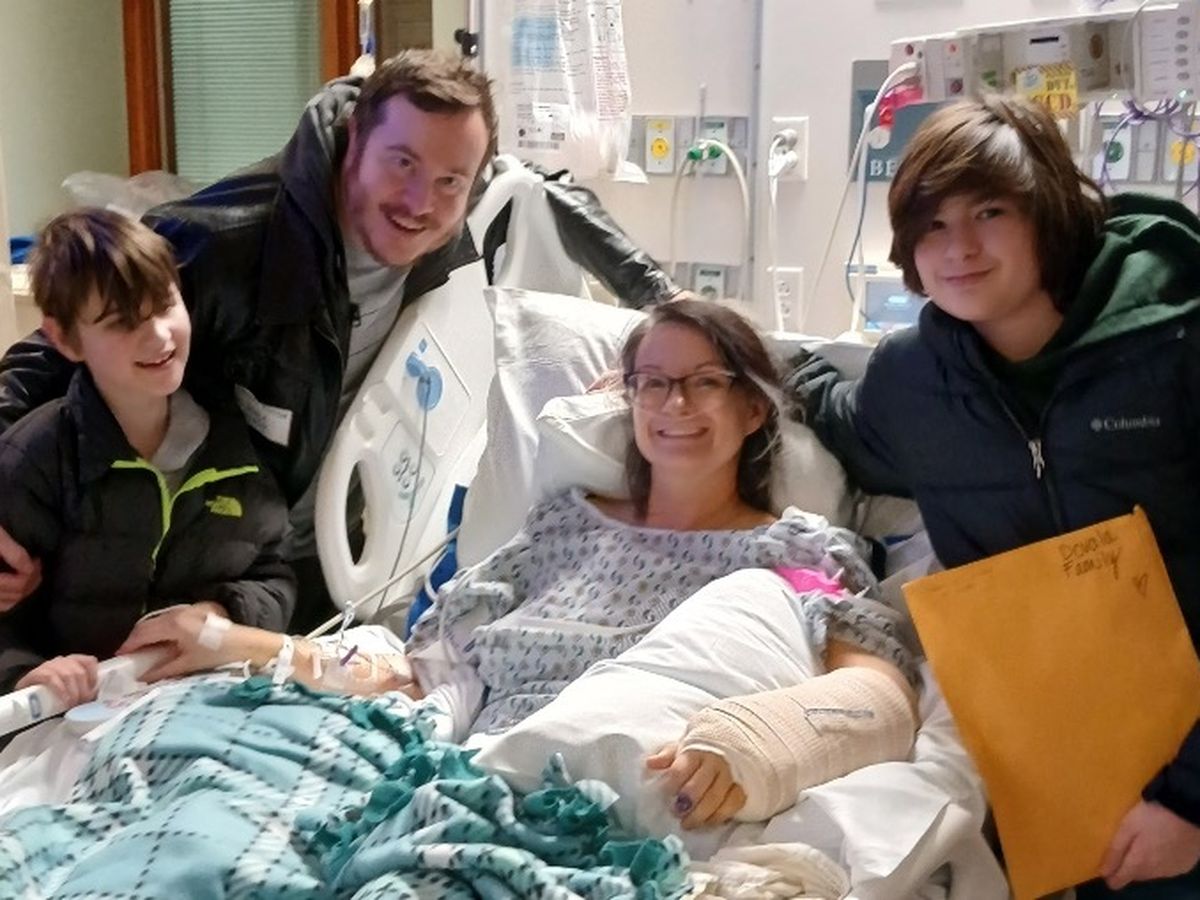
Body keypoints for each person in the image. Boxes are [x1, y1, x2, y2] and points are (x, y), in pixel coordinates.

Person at [118, 297, 919, 830]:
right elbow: (419, 677)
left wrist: (757, 741)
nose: (674, 405)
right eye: (652, 383)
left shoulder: (794, 554)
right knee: (184, 769)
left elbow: (879, 697)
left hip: (598, 798)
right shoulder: (562, 526)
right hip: (458, 768)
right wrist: (227, 644)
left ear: (751, 408)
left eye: (704, 382)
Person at [0, 49, 677, 635]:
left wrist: (668, 310)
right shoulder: (225, 241)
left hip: (307, 561)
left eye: (451, 181)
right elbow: (50, 355)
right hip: (185, 566)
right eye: (401, 163)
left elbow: (544, 191)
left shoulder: (450, 217)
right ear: (355, 139)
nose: (421, 201)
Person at [787, 95, 1200, 896]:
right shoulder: (915, 383)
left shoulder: (1174, 344)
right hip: (1059, 782)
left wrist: (1189, 802)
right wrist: (727, 358)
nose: (960, 248)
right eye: (933, 225)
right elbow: (837, 417)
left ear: (1049, 212)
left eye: (990, 213)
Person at [0, 209, 294, 707]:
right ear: (65, 339)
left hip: (201, 705)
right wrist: (26, 673)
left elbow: (276, 576)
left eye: (165, 304)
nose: (158, 336)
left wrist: (222, 616)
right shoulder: (37, 461)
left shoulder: (234, 450)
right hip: (73, 719)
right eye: (121, 322)